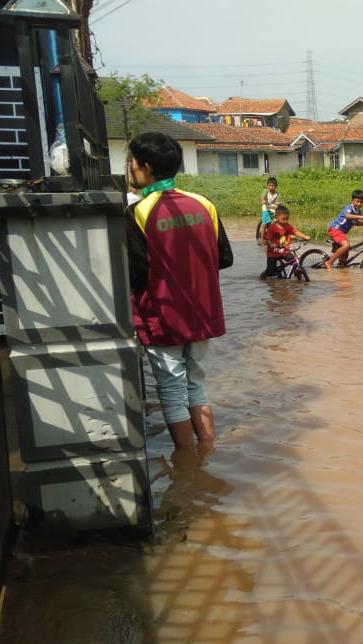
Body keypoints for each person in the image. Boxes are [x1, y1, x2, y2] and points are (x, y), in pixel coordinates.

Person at [125, 132, 233, 448]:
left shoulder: (137, 213)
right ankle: (207, 449)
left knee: (172, 390)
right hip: (202, 313)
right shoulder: (204, 204)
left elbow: (136, 275)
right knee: (196, 384)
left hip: (163, 316)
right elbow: (224, 258)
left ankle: (188, 463)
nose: (131, 168)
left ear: (146, 167)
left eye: (132, 162)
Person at [259, 205, 311, 279]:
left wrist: (304, 236)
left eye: (287, 219)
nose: (285, 221)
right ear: (276, 217)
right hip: (273, 253)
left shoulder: (287, 226)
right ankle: (264, 275)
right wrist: (272, 244)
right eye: (283, 219)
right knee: (270, 271)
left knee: (295, 262)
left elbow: (295, 231)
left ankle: (297, 277)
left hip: (285, 252)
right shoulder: (272, 227)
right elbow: (268, 239)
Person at [323, 189, 363, 270]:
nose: (359, 204)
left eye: (361, 202)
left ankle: (341, 269)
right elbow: (347, 216)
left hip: (342, 233)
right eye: (357, 201)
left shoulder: (358, 211)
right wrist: (361, 217)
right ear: (352, 200)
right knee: (346, 245)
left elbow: (355, 222)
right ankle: (329, 262)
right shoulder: (349, 208)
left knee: (345, 255)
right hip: (335, 229)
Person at [259, 177, 281, 246]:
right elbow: (262, 200)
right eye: (270, 185)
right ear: (267, 186)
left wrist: (278, 204)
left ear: (276, 186)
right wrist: (263, 201)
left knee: (273, 223)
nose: (271, 187)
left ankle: (271, 238)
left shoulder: (277, 194)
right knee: (264, 224)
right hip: (266, 209)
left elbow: (276, 202)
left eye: (273, 185)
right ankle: (261, 240)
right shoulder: (265, 191)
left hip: (272, 209)